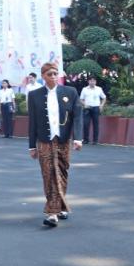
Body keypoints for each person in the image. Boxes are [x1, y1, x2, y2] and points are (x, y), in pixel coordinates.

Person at [28, 62, 83, 228]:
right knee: (48, 174)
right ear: (43, 76)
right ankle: (52, 213)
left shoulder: (70, 92)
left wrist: (78, 138)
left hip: (63, 139)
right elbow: (32, 122)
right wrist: (31, 146)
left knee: (62, 172)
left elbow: (78, 117)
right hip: (44, 140)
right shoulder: (34, 95)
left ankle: (60, 206)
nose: (53, 77)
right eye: (49, 74)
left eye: (55, 74)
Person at [80, 76, 106, 145]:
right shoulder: (84, 89)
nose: (92, 82)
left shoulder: (99, 89)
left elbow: (104, 98)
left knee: (96, 124)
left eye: (94, 81)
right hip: (87, 108)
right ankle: (86, 140)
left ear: (95, 82)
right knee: (86, 124)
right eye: (91, 81)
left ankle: (95, 140)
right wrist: (84, 104)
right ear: (88, 81)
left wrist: (101, 105)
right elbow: (81, 99)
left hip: (96, 108)